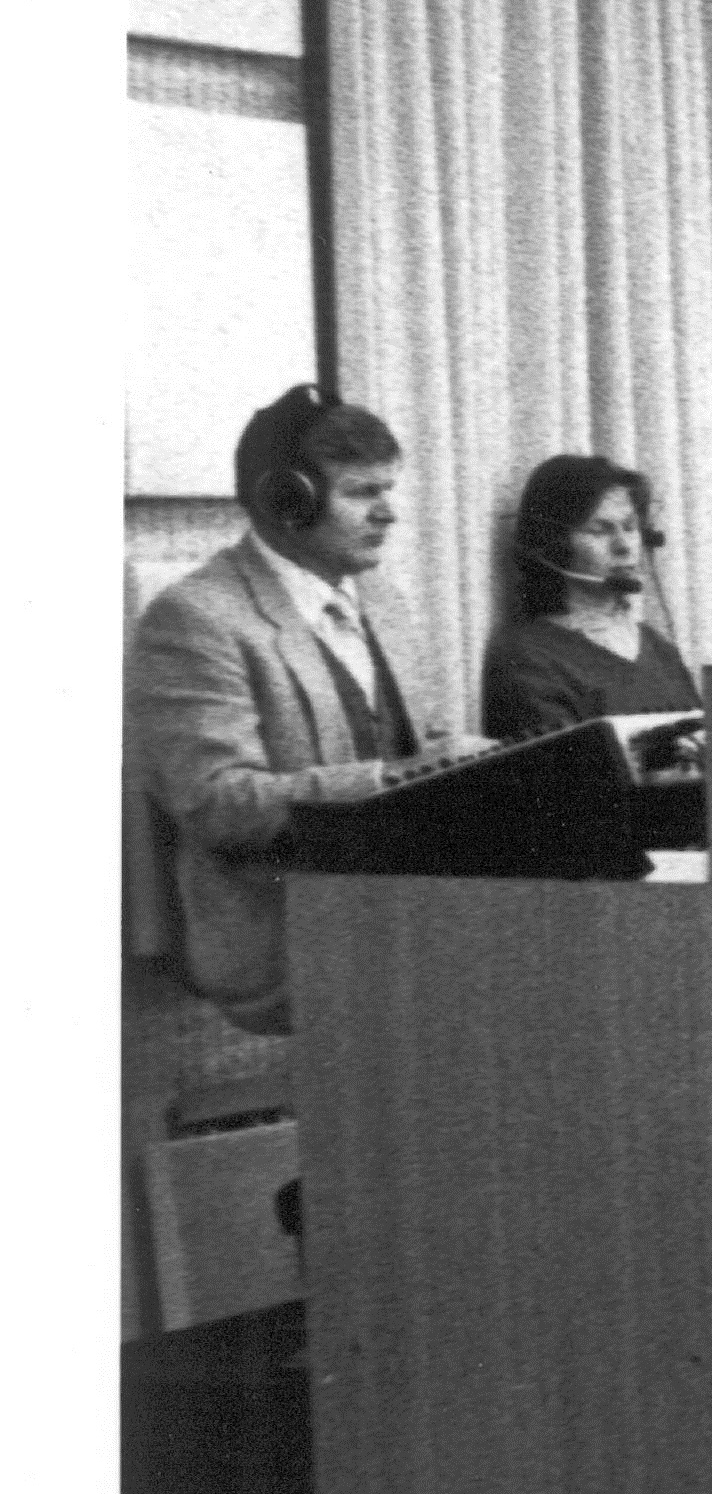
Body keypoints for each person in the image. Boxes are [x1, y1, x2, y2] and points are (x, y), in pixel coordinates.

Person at [127, 384, 450, 1033]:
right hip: (286, 943)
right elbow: (216, 802)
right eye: (364, 492)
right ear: (287, 500)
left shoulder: (381, 598)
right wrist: (396, 778)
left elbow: (429, 743)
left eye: (389, 489)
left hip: (402, 916)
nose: (389, 513)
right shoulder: (196, 618)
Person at [475, 453, 705, 756]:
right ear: (554, 546)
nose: (624, 546)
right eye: (600, 530)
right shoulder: (526, 654)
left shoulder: (659, 648)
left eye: (630, 526)